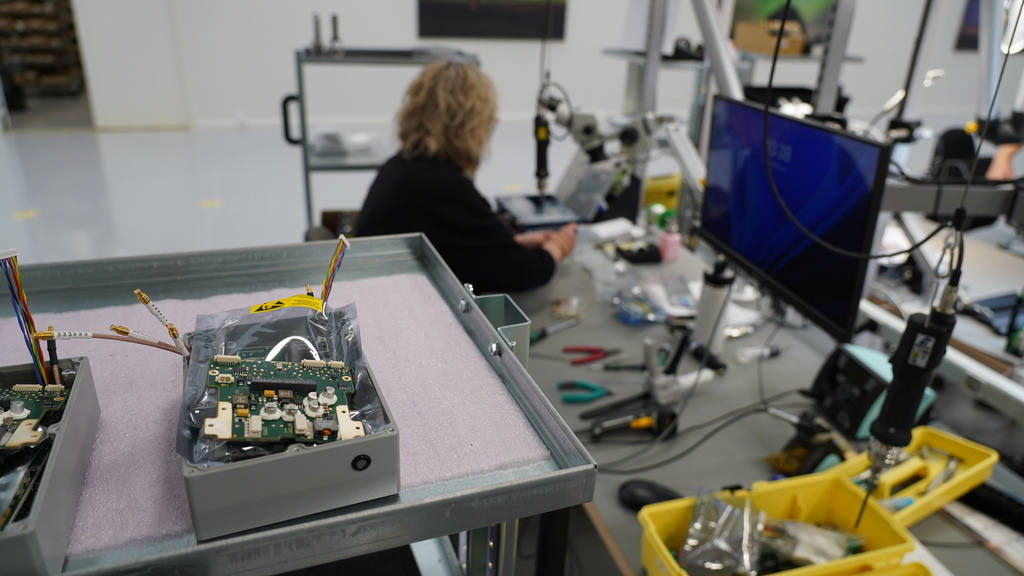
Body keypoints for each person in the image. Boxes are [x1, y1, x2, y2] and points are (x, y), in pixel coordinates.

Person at [354, 60, 576, 293]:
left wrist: (512, 244)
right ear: (471, 125)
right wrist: (558, 247)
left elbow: (455, 244)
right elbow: (518, 273)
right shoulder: (443, 187)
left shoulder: (402, 166)